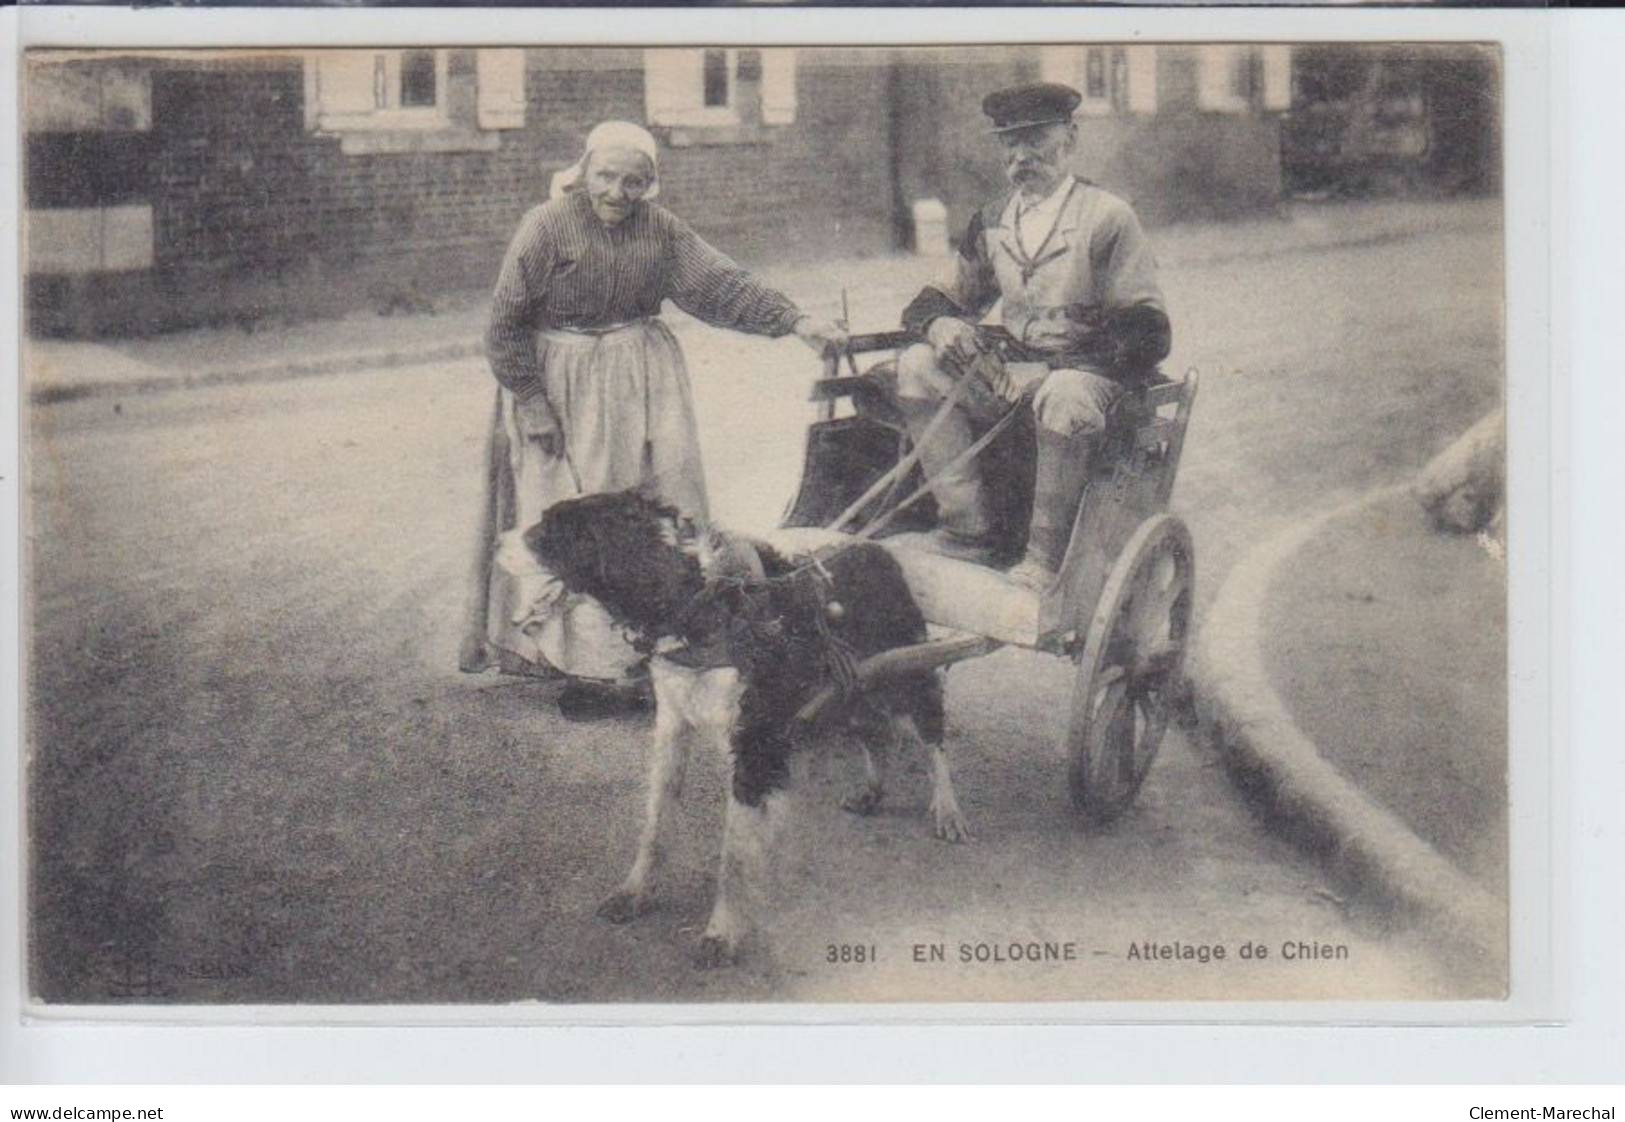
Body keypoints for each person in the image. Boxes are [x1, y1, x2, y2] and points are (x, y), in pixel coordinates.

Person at [460, 120, 845, 718]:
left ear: (651, 184)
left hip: (646, 372)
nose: (618, 192)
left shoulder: (661, 231)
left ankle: (664, 647)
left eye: (634, 181)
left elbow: (721, 285)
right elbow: (504, 323)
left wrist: (796, 321)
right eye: (607, 176)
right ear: (583, 170)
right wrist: (532, 401)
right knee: (582, 518)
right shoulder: (545, 226)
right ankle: (593, 671)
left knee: (670, 501)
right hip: (566, 378)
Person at [893, 82, 1172, 589]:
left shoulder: (1107, 217)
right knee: (916, 364)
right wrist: (941, 323)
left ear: (1069, 138)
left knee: (1063, 395)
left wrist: (1058, 369)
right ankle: (967, 531)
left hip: (1094, 383)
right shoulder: (994, 220)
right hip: (1016, 378)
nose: (1021, 156)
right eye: (1009, 142)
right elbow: (937, 298)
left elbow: (1147, 330)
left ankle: (1044, 561)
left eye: (1036, 139)